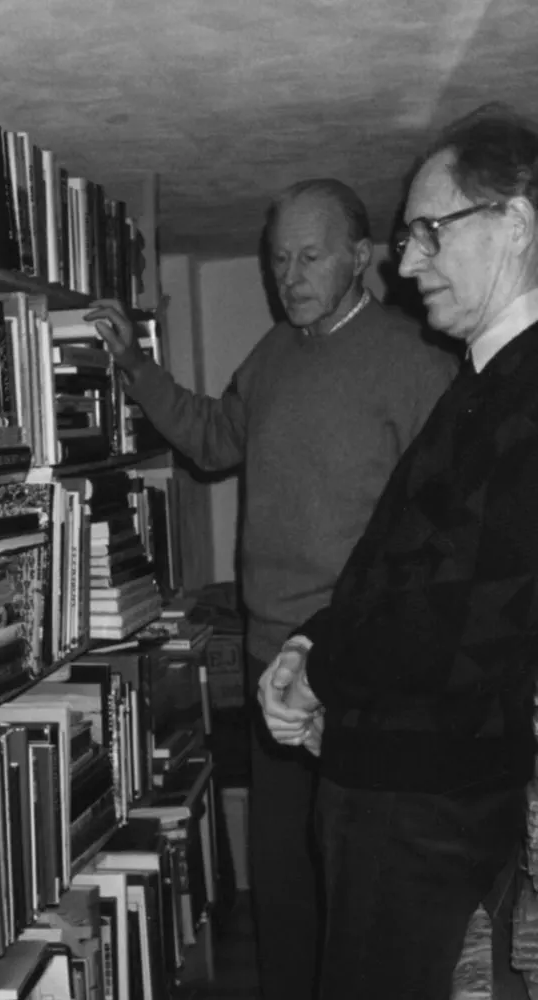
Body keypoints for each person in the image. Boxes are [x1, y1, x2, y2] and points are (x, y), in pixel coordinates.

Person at [85, 179, 457, 1000]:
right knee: (284, 880)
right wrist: (135, 368)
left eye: (309, 256)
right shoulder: (274, 354)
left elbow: (447, 525)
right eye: (278, 258)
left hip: (359, 671)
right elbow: (213, 439)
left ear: (360, 258)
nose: (288, 276)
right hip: (266, 661)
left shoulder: (417, 360)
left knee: (358, 885)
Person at [259, 102, 538, 1000]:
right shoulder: (480, 383)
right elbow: (395, 567)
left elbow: (461, 618)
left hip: (427, 808)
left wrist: (322, 666)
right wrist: (309, 648)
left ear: (518, 224)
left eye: (429, 231)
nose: (407, 262)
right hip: (393, 790)